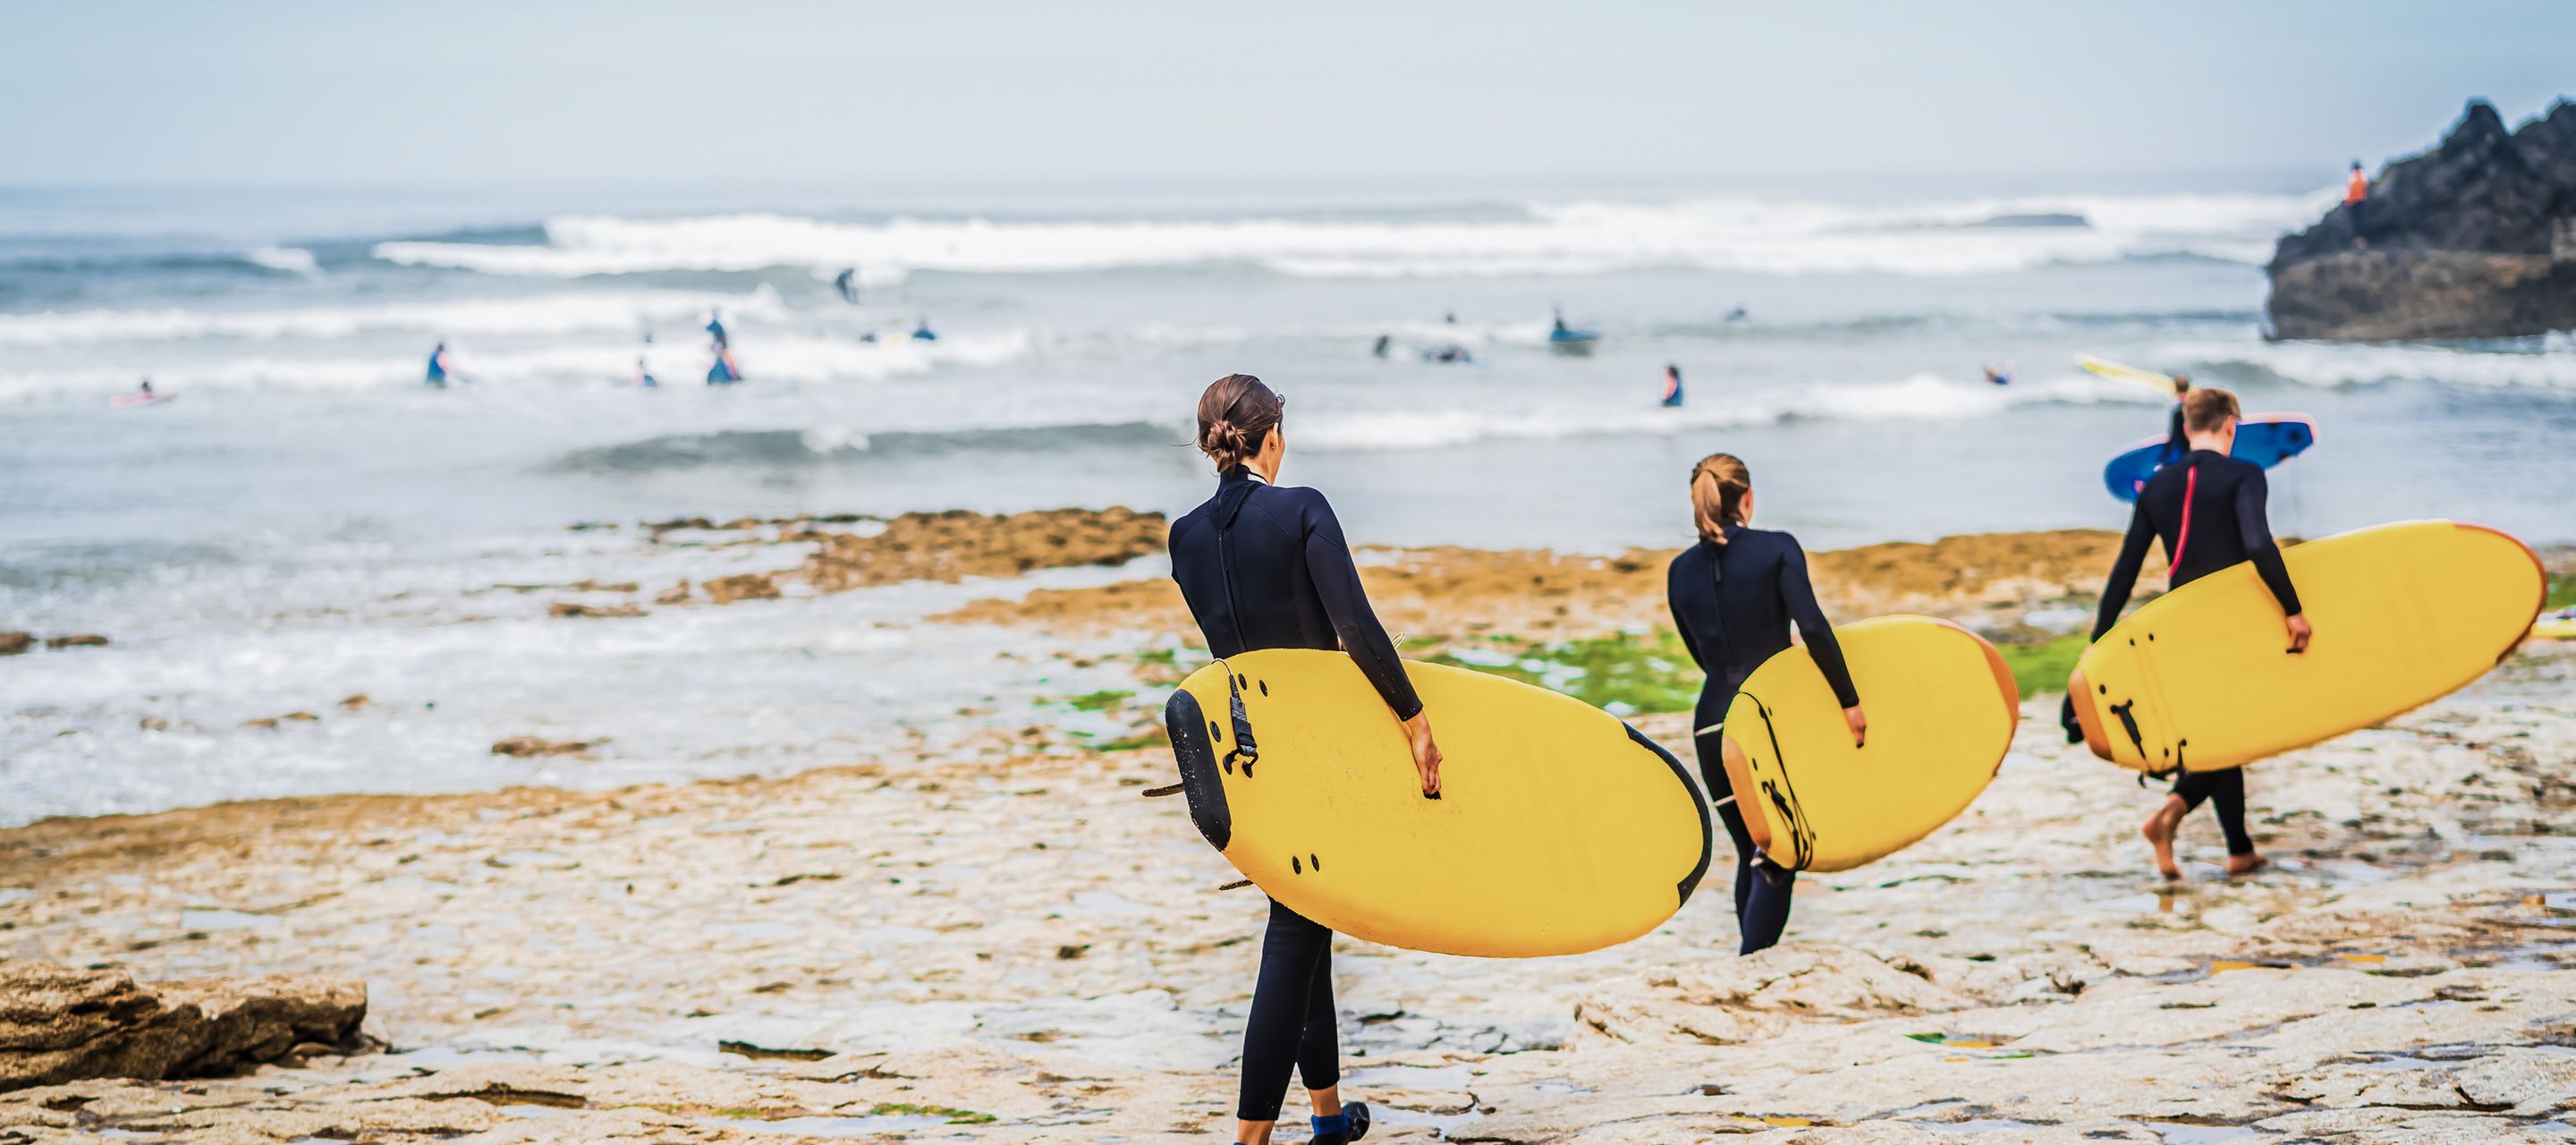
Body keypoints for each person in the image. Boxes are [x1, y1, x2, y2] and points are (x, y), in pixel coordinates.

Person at [1167, 373, 1436, 1145]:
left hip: (1249, 761)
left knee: (1304, 913)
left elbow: (1233, 647)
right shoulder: (1303, 510)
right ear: (1272, 436)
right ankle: (1250, 1138)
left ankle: (1325, 1115)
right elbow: (1356, 628)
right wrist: (1414, 719)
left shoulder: (1184, 536)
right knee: (1295, 929)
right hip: (1320, 758)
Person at [2068, 387, 2310, 881]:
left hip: (2177, 625)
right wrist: (2293, 609)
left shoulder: (2156, 487)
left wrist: (2097, 643)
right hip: (2230, 622)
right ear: (2230, 426)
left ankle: (2238, 849)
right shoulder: (2245, 474)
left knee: (2215, 731)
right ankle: (2171, 815)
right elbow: (2259, 544)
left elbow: (2125, 570)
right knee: (2229, 733)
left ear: (2183, 427)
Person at [1665, 454, 1864, 954]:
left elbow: (1700, 653)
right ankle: (1751, 965)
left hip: (1712, 724)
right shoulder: (1777, 550)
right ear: (1747, 499)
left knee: (1750, 847)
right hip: (1765, 720)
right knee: (1778, 852)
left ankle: (1751, 963)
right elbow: (1813, 627)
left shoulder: (1678, 572)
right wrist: (1849, 701)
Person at [2345, 160, 2370, 246]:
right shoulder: (2363, 175)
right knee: (2360, 221)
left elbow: (2352, 189)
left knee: (2356, 222)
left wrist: (2349, 202)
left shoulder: (2354, 176)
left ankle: (2359, 240)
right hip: (2361, 201)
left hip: (2354, 202)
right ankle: (2360, 240)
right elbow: (2366, 187)